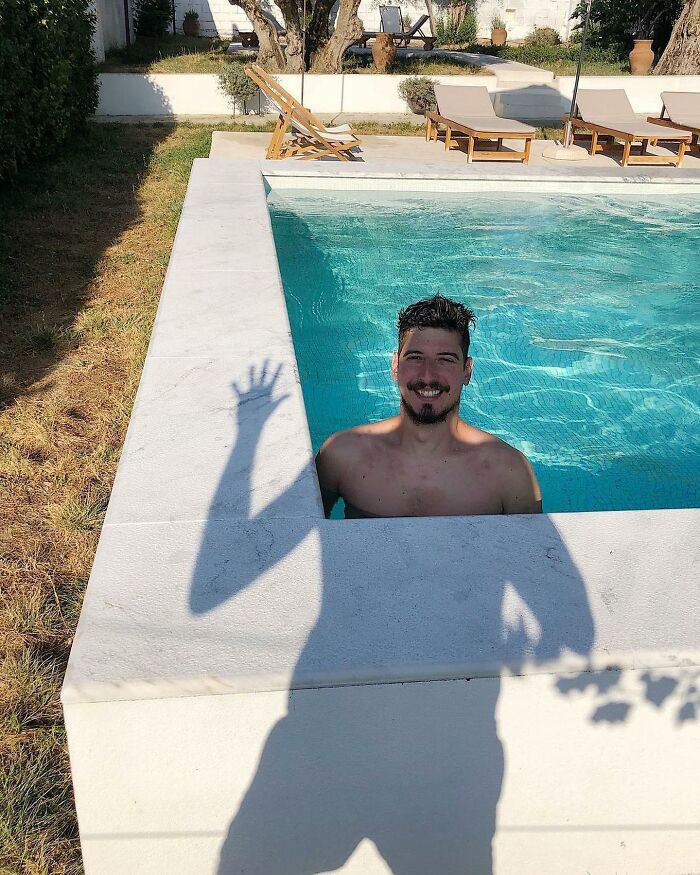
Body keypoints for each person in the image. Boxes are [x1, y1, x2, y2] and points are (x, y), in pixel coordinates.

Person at [315, 294, 542, 519]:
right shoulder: (341, 455)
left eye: (445, 359)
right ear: (395, 366)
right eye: (415, 357)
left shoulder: (509, 473)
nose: (427, 375)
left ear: (467, 371)